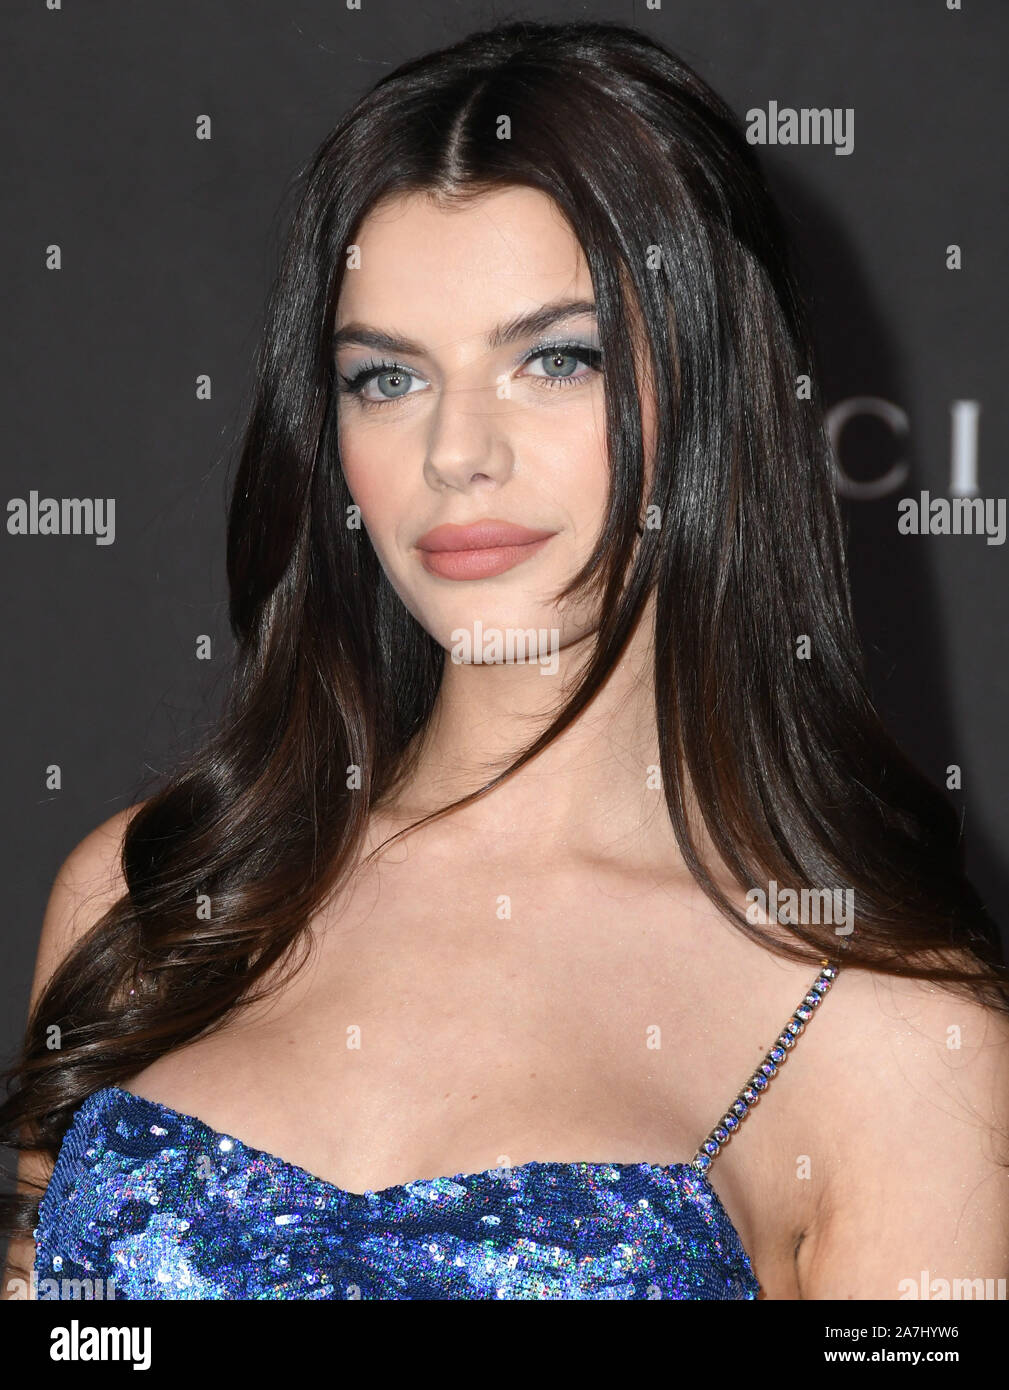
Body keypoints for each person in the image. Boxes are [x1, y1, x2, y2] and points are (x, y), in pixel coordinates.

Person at [3, 18, 1007, 1302]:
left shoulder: (896, 1037)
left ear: (713, 393)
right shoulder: (149, 899)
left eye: (556, 359)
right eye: (386, 379)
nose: (455, 454)